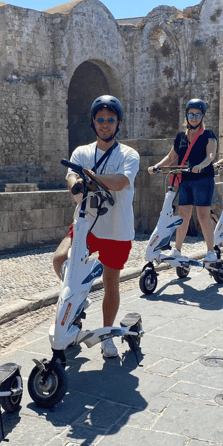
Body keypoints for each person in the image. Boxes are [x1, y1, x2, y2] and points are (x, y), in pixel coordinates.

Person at [52, 95, 139, 358]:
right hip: (86, 225)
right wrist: (76, 184)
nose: (105, 124)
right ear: (94, 122)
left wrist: (90, 177)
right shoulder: (82, 152)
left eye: (110, 120)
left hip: (117, 228)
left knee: (111, 283)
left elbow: (121, 181)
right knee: (60, 261)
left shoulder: (128, 154)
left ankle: (107, 333)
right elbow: (71, 176)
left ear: (118, 122)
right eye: (100, 119)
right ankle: (76, 304)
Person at [147, 99, 217, 261]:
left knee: (202, 215)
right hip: (185, 180)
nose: (194, 117)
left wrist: (201, 165)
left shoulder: (208, 135)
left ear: (202, 116)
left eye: (197, 114)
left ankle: (211, 251)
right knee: (183, 214)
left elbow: (211, 155)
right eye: (191, 114)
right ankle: (177, 250)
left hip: (203, 179)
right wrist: (156, 167)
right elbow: (172, 157)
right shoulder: (180, 137)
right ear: (187, 115)